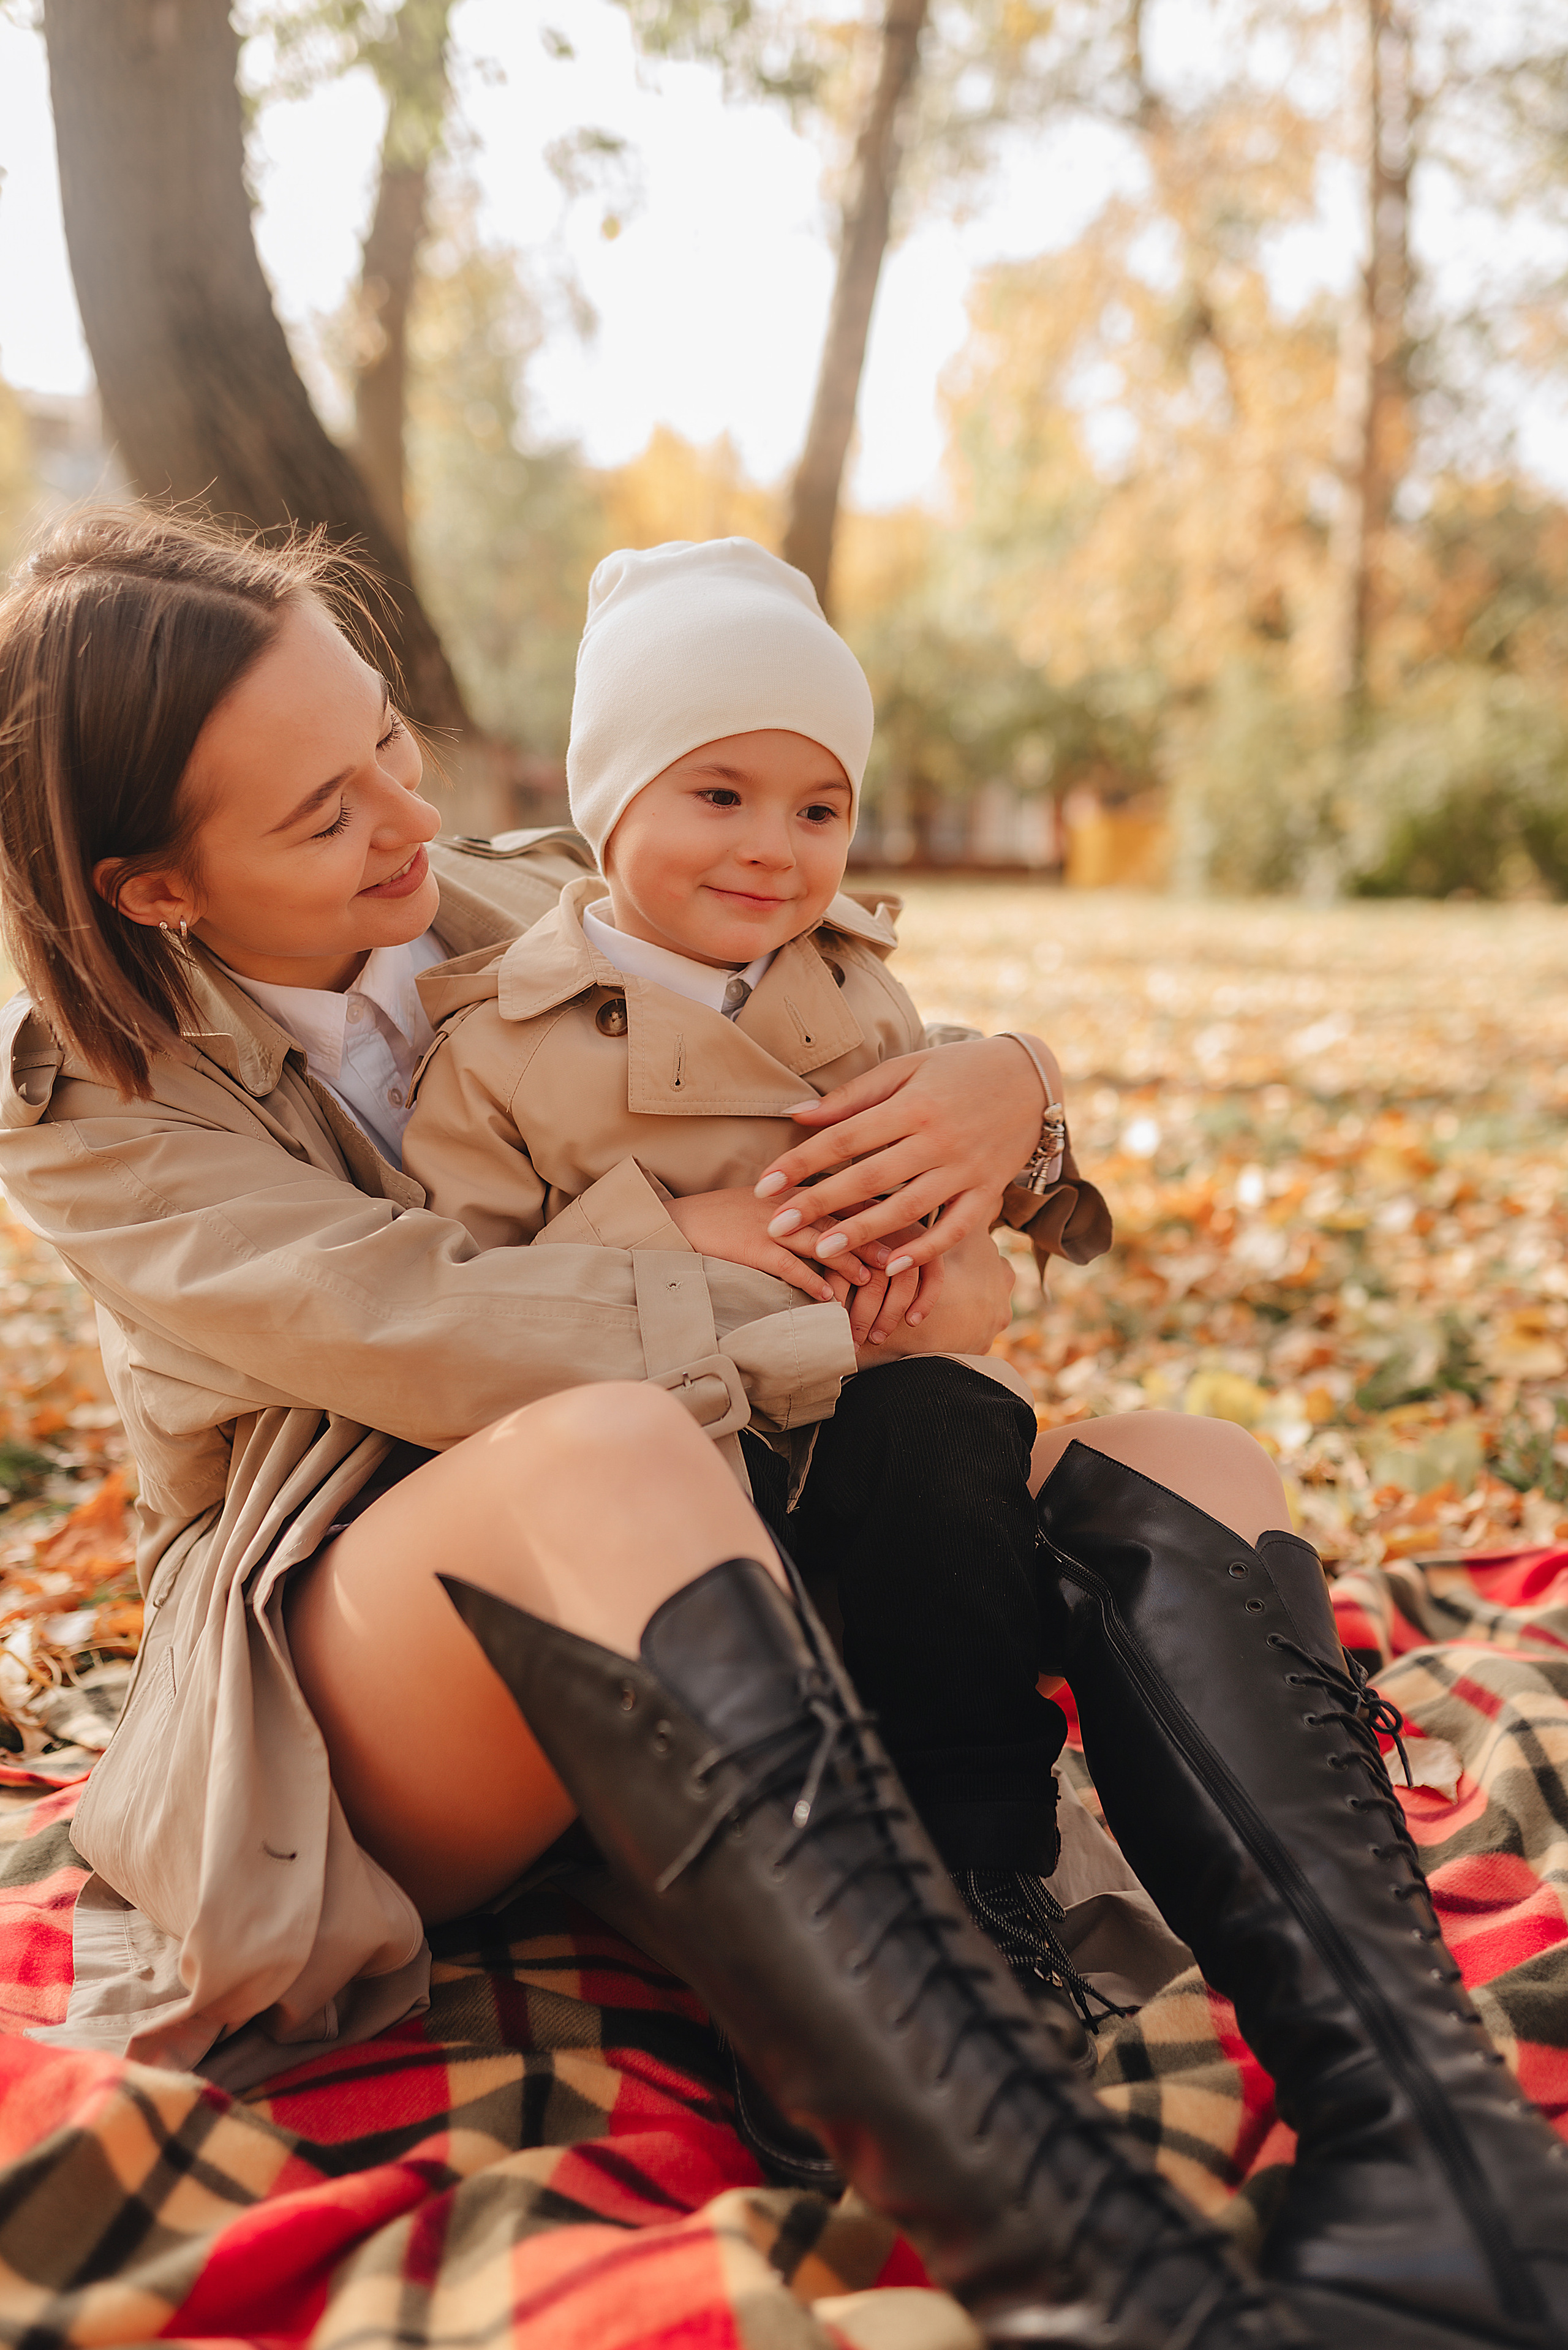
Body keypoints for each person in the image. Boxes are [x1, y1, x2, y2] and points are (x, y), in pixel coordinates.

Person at [0, 508, 1562, 2350]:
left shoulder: (527, 894)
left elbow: (825, 1023)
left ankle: (1445, 2172)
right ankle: (1079, 2255)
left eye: (390, 741)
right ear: (153, 888)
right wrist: (755, 1259)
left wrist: (1012, 1098)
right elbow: (425, 1329)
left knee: (1189, 1461)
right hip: (375, 1639)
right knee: (608, 1447)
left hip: (752, 1515)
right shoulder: (76, 1098)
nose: (414, 822)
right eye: (325, 813)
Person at [401, 537, 1114, 2007]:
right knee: (704, 1569)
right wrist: (667, 1235)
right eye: (715, 793)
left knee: (948, 1439)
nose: (769, 848)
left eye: (818, 807)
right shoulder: (499, 1042)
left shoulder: (858, 995)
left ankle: (985, 1867)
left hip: (865, 1417)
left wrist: (938, 1265)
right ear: (607, 807)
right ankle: (798, 1945)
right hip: (665, 1448)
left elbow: (951, 1218)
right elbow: (458, 1290)